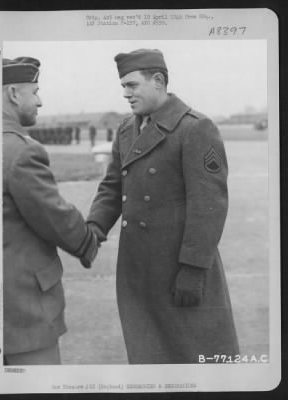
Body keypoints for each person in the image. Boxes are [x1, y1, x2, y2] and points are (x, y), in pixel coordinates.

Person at [87, 49, 239, 364]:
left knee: (198, 356)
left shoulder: (195, 128)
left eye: (131, 85)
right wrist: (94, 229)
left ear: (158, 81)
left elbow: (209, 204)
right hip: (138, 268)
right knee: (149, 357)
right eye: (123, 86)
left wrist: (194, 269)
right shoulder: (127, 128)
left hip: (179, 268)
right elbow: (113, 187)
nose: (125, 93)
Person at [2, 57, 98, 365]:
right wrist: (88, 240)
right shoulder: (20, 150)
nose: (39, 100)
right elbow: (54, 215)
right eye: (35, 91)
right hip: (21, 315)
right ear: (14, 93)